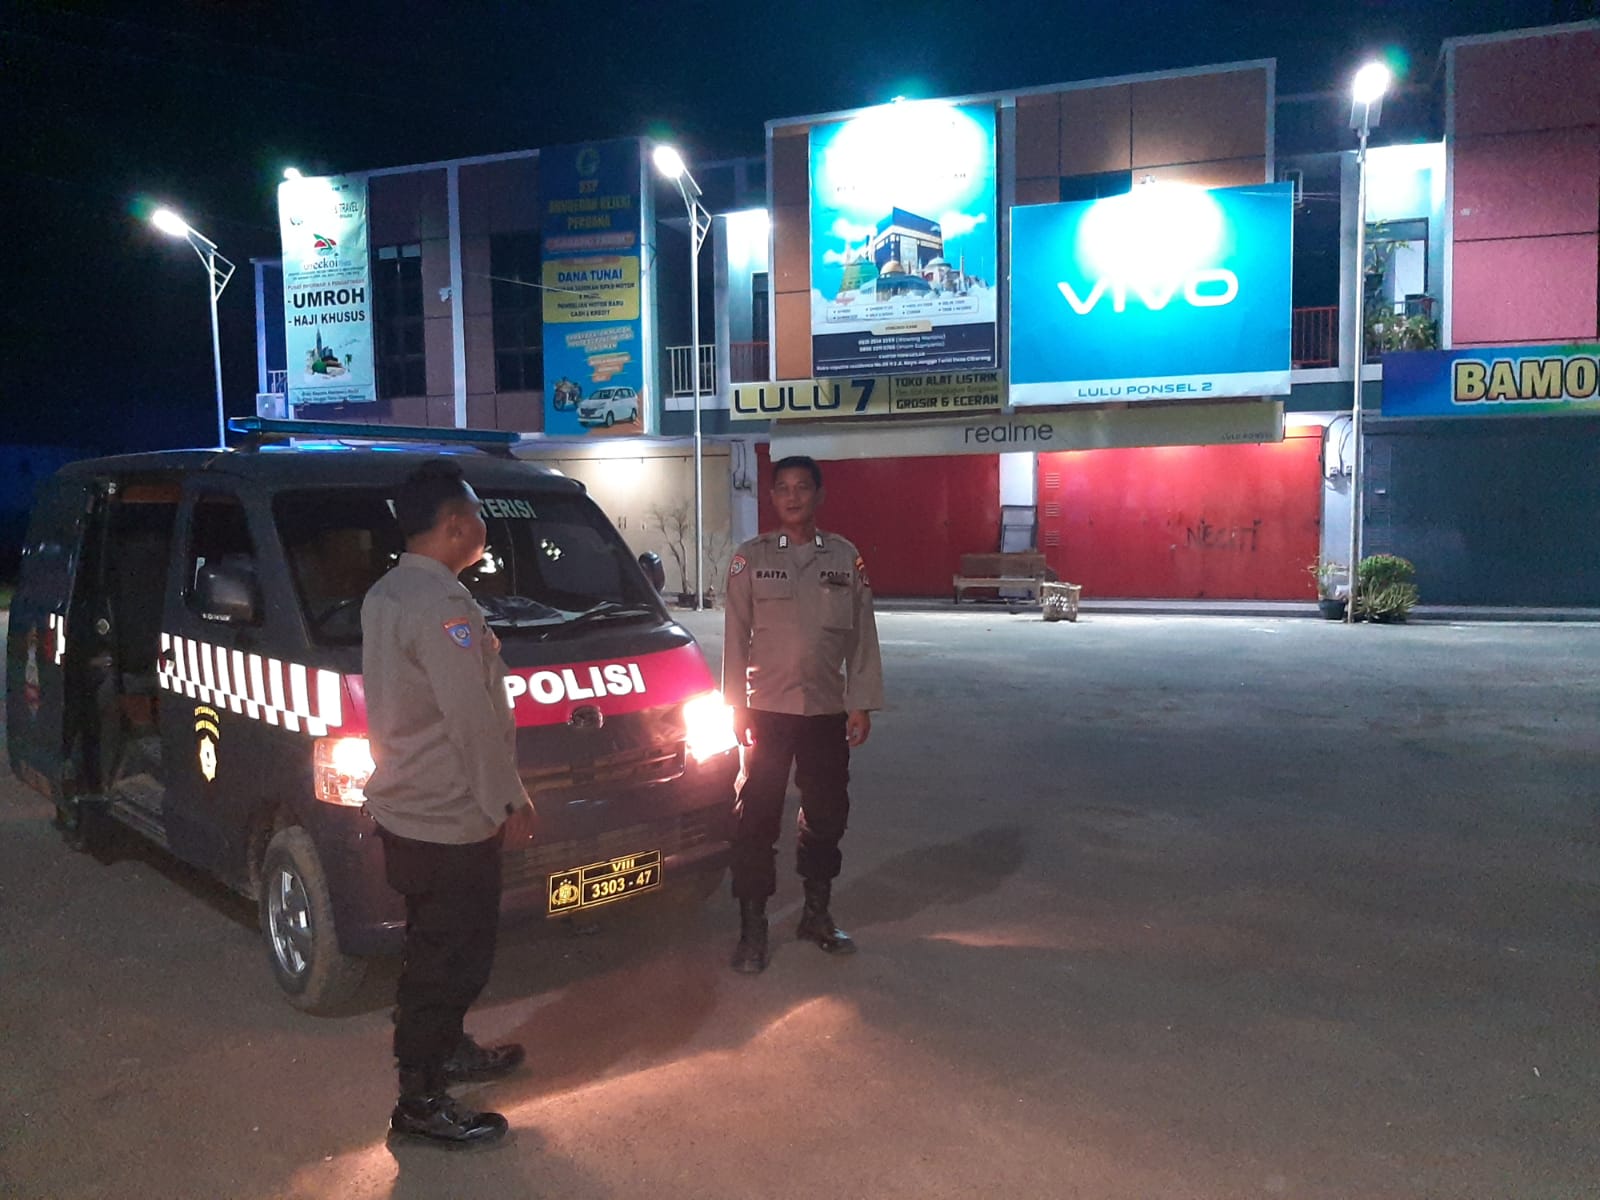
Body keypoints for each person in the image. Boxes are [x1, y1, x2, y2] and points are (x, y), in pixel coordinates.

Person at [361, 458, 533, 1149]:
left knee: (431, 945)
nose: (483, 525)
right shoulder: (443, 606)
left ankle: (447, 1051)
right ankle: (421, 1100)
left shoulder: (389, 592)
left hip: (409, 804)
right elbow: (471, 719)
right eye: (478, 514)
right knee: (453, 957)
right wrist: (509, 802)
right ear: (458, 524)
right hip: (450, 813)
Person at [721, 455, 884, 974]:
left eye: (803, 487)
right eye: (784, 488)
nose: (793, 497)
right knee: (756, 818)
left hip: (824, 710)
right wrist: (735, 704)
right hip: (765, 711)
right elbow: (734, 637)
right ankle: (753, 928)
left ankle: (816, 913)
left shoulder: (844, 558)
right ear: (772, 498)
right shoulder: (750, 558)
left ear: (819, 495)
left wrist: (860, 701)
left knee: (828, 814)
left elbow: (862, 636)